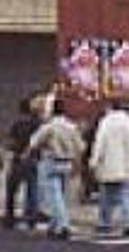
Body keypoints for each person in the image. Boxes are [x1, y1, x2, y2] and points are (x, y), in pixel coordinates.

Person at [29, 98, 86, 240]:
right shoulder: (71, 127)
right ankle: (53, 225)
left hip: (51, 161)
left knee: (54, 196)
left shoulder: (49, 127)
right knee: (61, 195)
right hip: (67, 162)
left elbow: (34, 142)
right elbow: (81, 147)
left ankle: (63, 224)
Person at [89, 97, 129, 237]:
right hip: (126, 167)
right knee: (125, 196)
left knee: (106, 196)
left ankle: (104, 222)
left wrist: (94, 162)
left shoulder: (106, 123)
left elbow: (99, 144)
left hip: (108, 165)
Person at [3, 98, 42, 230]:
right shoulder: (37, 124)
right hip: (32, 159)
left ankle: (9, 217)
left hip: (18, 159)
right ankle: (32, 217)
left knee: (11, 190)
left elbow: (10, 142)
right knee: (32, 190)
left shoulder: (16, 124)